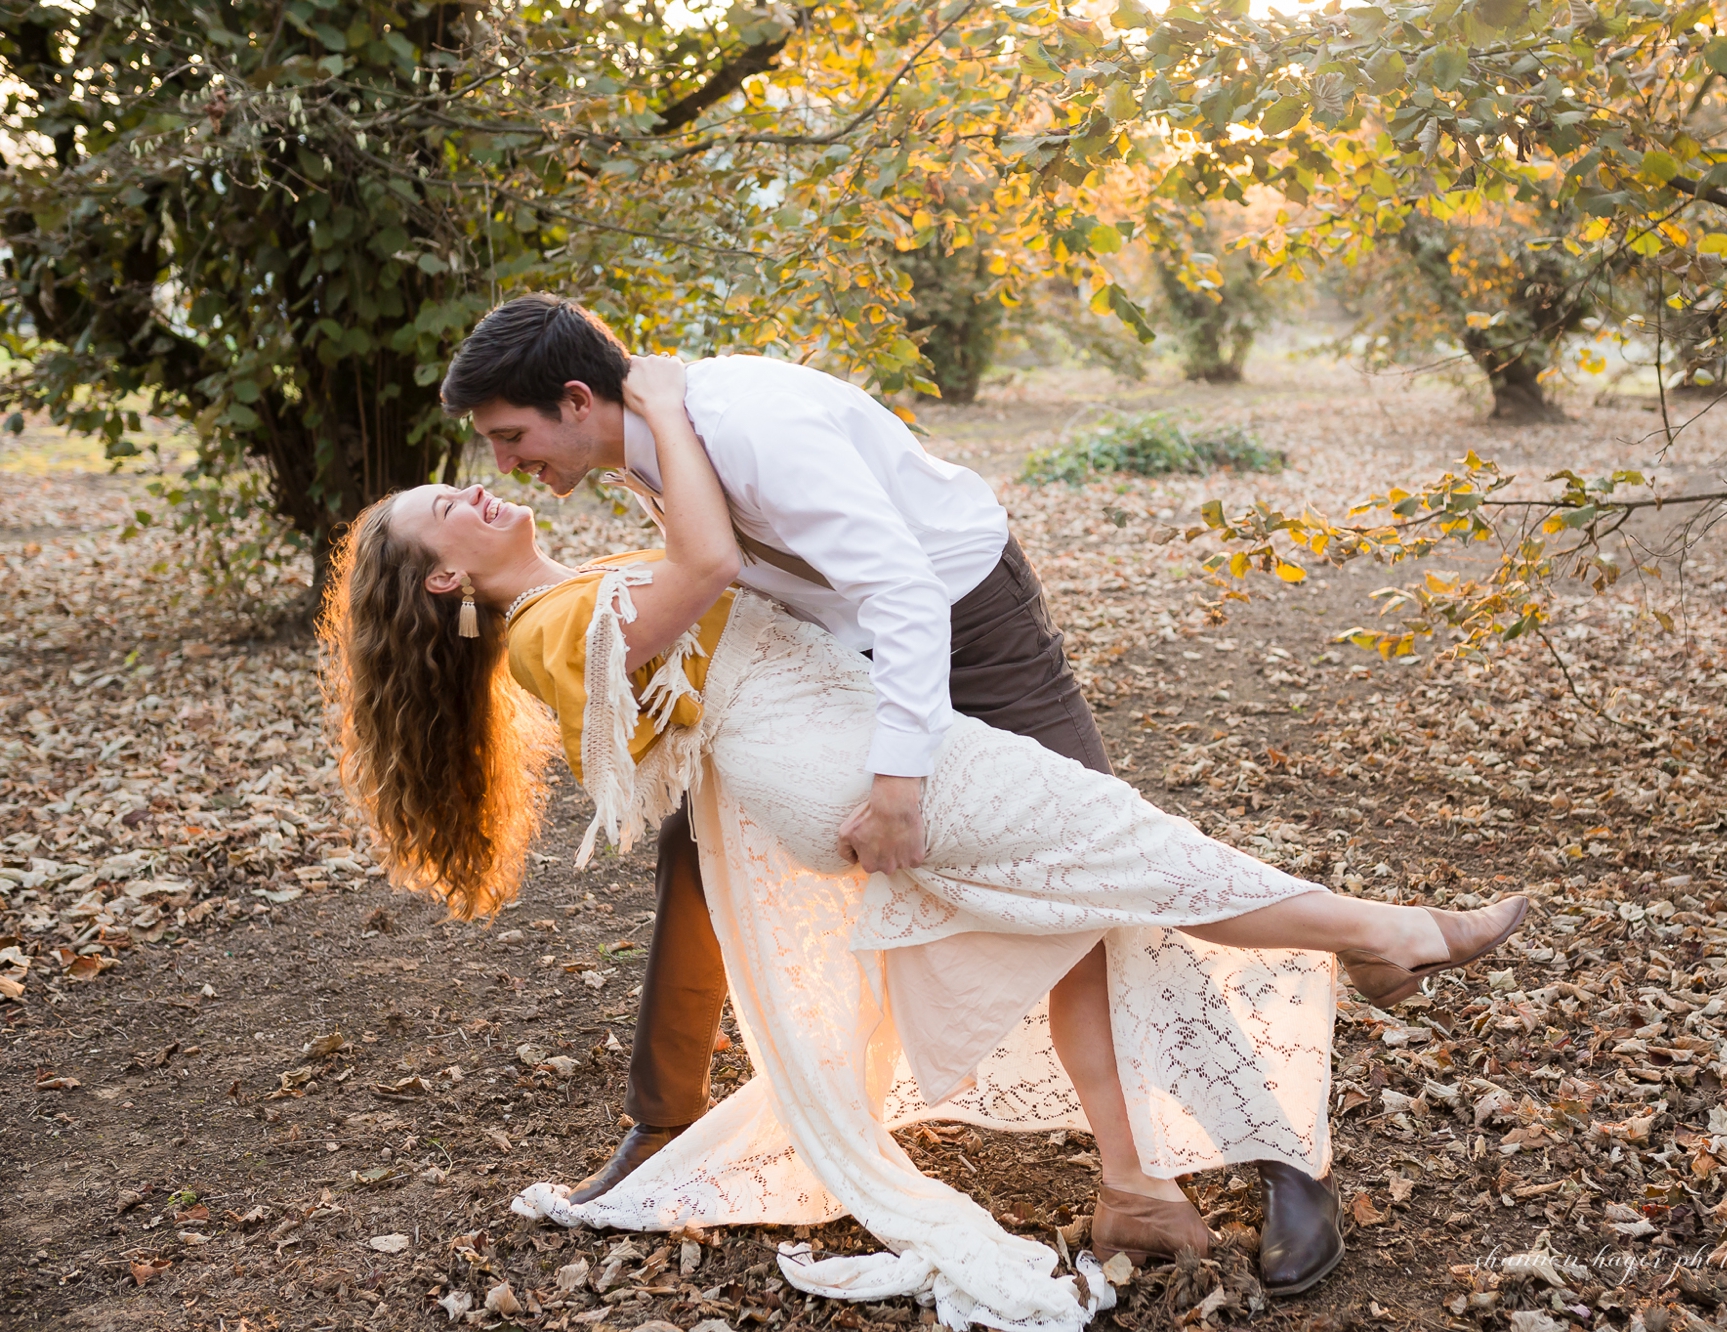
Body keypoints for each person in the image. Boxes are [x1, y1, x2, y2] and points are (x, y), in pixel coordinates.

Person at [322, 356, 1532, 1326]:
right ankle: (1387, 937)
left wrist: (674, 416)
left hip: (932, 653)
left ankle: (1152, 1185)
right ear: (441, 584)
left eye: (500, 446)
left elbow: (862, 591)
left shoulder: (632, 519)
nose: (491, 475)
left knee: (1099, 884)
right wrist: (891, 778)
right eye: (462, 492)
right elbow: (715, 567)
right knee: (1130, 854)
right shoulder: (569, 594)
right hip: (849, 754)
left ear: (576, 403)